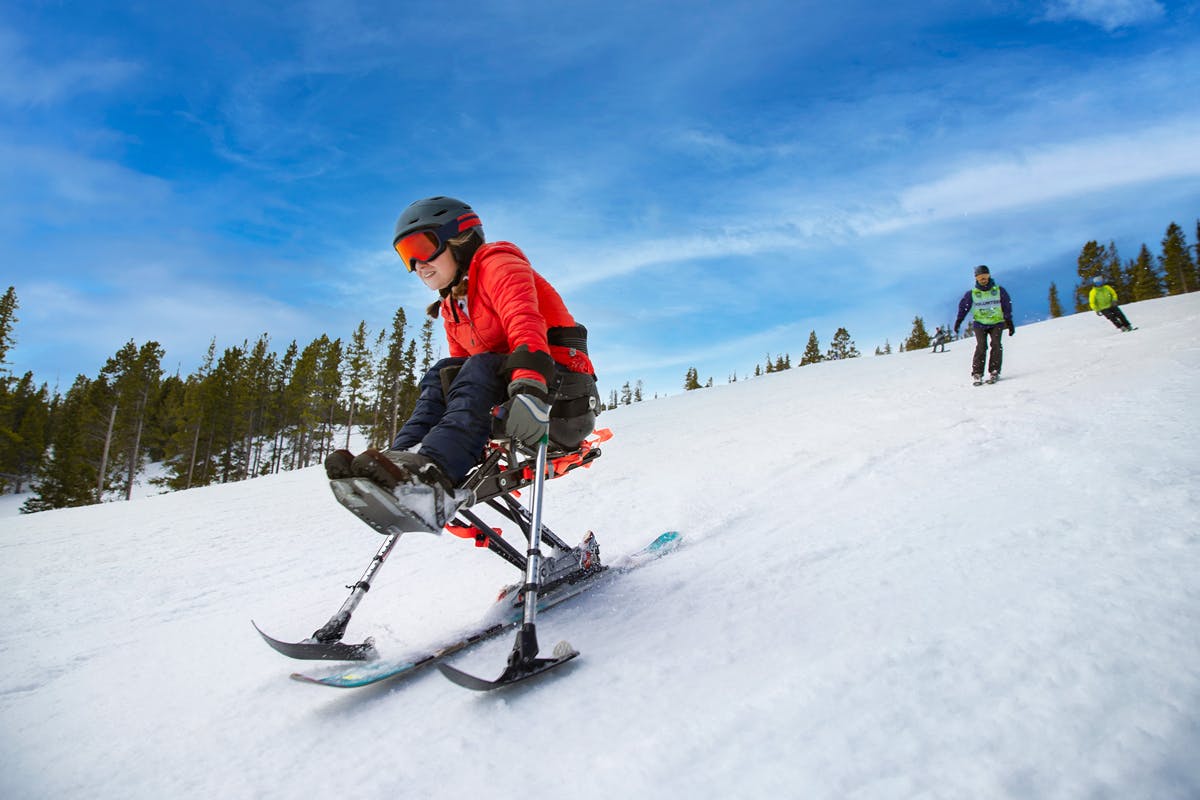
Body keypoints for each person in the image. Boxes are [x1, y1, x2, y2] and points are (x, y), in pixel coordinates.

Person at [326, 196, 600, 532]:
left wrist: (530, 390)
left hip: (561, 400)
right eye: (405, 256)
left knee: (479, 366)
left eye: (420, 247)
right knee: (443, 374)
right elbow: (457, 378)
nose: (416, 265)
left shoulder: (498, 263)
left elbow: (524, 323)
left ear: (459, 240)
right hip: (516, 401)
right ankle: (401, 465)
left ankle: (435, 468)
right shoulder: (452, 306)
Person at [953, 265, 1014, 385]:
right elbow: (964, 308)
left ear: (989, 276)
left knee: (996, 344)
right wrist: (959, 321)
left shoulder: (998, 290)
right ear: (976, 278)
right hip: (980, 323)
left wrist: (1009, 321)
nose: (983, 279)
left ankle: (994, 370)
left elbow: (1006, 305)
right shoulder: (972, 294)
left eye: (985, 277)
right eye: (980, 277)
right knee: (981, 346)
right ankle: (977, 373)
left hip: (996, 322)